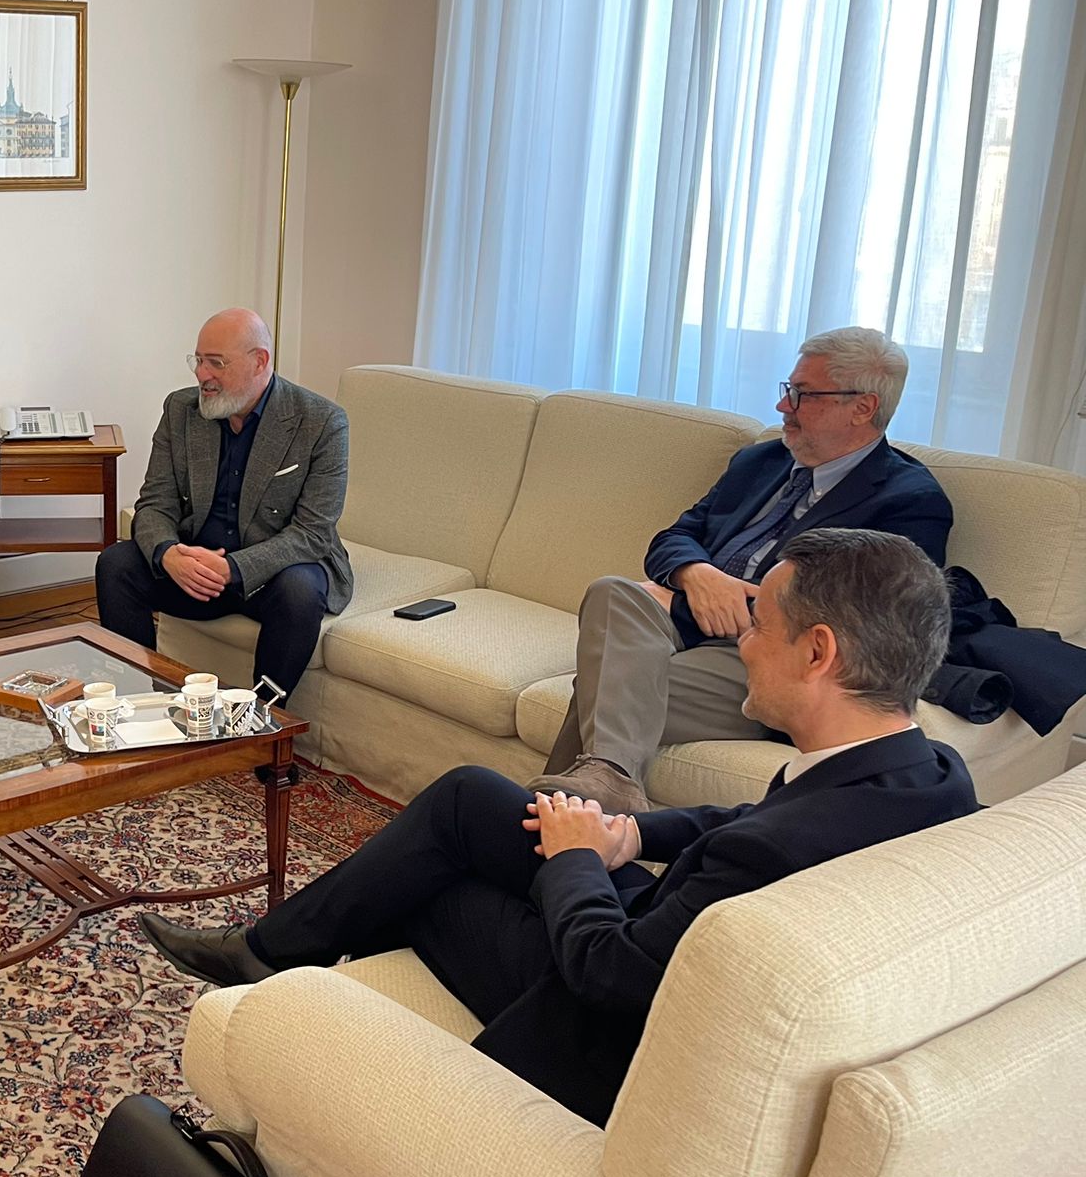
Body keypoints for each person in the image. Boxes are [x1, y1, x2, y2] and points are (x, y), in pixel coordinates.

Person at [139, 528, 977, 1126]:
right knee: (468, 799)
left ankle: (309, 1034)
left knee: (425, 877)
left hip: (603, 1015)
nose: (745, 643)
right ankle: (271, 952)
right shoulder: (928, 774)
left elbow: (608, 974)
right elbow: (748, 818)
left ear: (819, 652)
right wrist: (631, 836)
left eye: (760, 624)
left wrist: (577, 859)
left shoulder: (770, 853)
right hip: (662, 941)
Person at [528, 326, 952, 814]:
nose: (783, 406)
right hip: (683, 624)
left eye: (803, 394)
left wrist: (730, 604)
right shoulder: (759, 462)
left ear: (863, 407)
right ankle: (593, 804)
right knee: (614, 591)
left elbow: (867, 625)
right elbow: (672, 538)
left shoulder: (908, 501)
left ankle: (566, 807)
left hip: (769, 654)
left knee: (602, 687)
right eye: (788, 389)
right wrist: (696, 576)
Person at [95, 307, 351, 699]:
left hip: (269, 573)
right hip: (195, 567)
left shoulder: (321, 422)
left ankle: (258, 718)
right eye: (198, 360)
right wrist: (168, 554)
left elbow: (312, 533)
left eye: (216, 362)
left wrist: (232, 568)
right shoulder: (180, 410)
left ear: (259, 361)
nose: (202, 375)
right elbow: (155, 502)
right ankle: (140, 701)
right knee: (116, 564)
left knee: (300, 591)